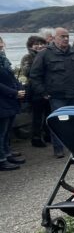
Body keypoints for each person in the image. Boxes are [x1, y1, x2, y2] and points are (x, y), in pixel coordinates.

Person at [29, 27, 74, 158]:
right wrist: (43, 92)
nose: (66, 38)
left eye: (67, 36)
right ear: (54, 38)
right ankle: (58, 148)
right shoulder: (44, 54)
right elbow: (35, 75)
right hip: (56, 96)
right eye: (62, 36)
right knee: (58, 122)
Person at [19, 35, 50, 147]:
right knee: (37, 116)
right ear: (30, 46)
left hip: (48, 89)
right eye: (36, 44)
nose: (39, 46)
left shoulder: (48, 55)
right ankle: (36, 138)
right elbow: (28, 72)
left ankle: (48, 135)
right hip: (34, 90)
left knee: (49, 113)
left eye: (42, 43)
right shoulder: (27, 57)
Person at [0, 37, 26, 170]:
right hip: (2, 100)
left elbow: (11, 77)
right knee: (1, 131)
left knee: (6, 131)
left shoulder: (3, 59)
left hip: (10, 100)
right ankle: (1, 160)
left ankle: (7, 154)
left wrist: (20, 88)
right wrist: (14, 92)